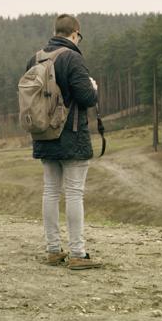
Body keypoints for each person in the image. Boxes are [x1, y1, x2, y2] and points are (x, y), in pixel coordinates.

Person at [25, 14, 102, 270]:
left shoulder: (35, 58)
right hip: (71, 134)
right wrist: (93, 87)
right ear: (74, 33)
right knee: (74, 193)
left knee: (50, 191)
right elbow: (87, 98)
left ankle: (53, 250)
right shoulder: (73, 58)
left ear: (55, 31)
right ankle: (78, 253)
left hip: (43, 133)